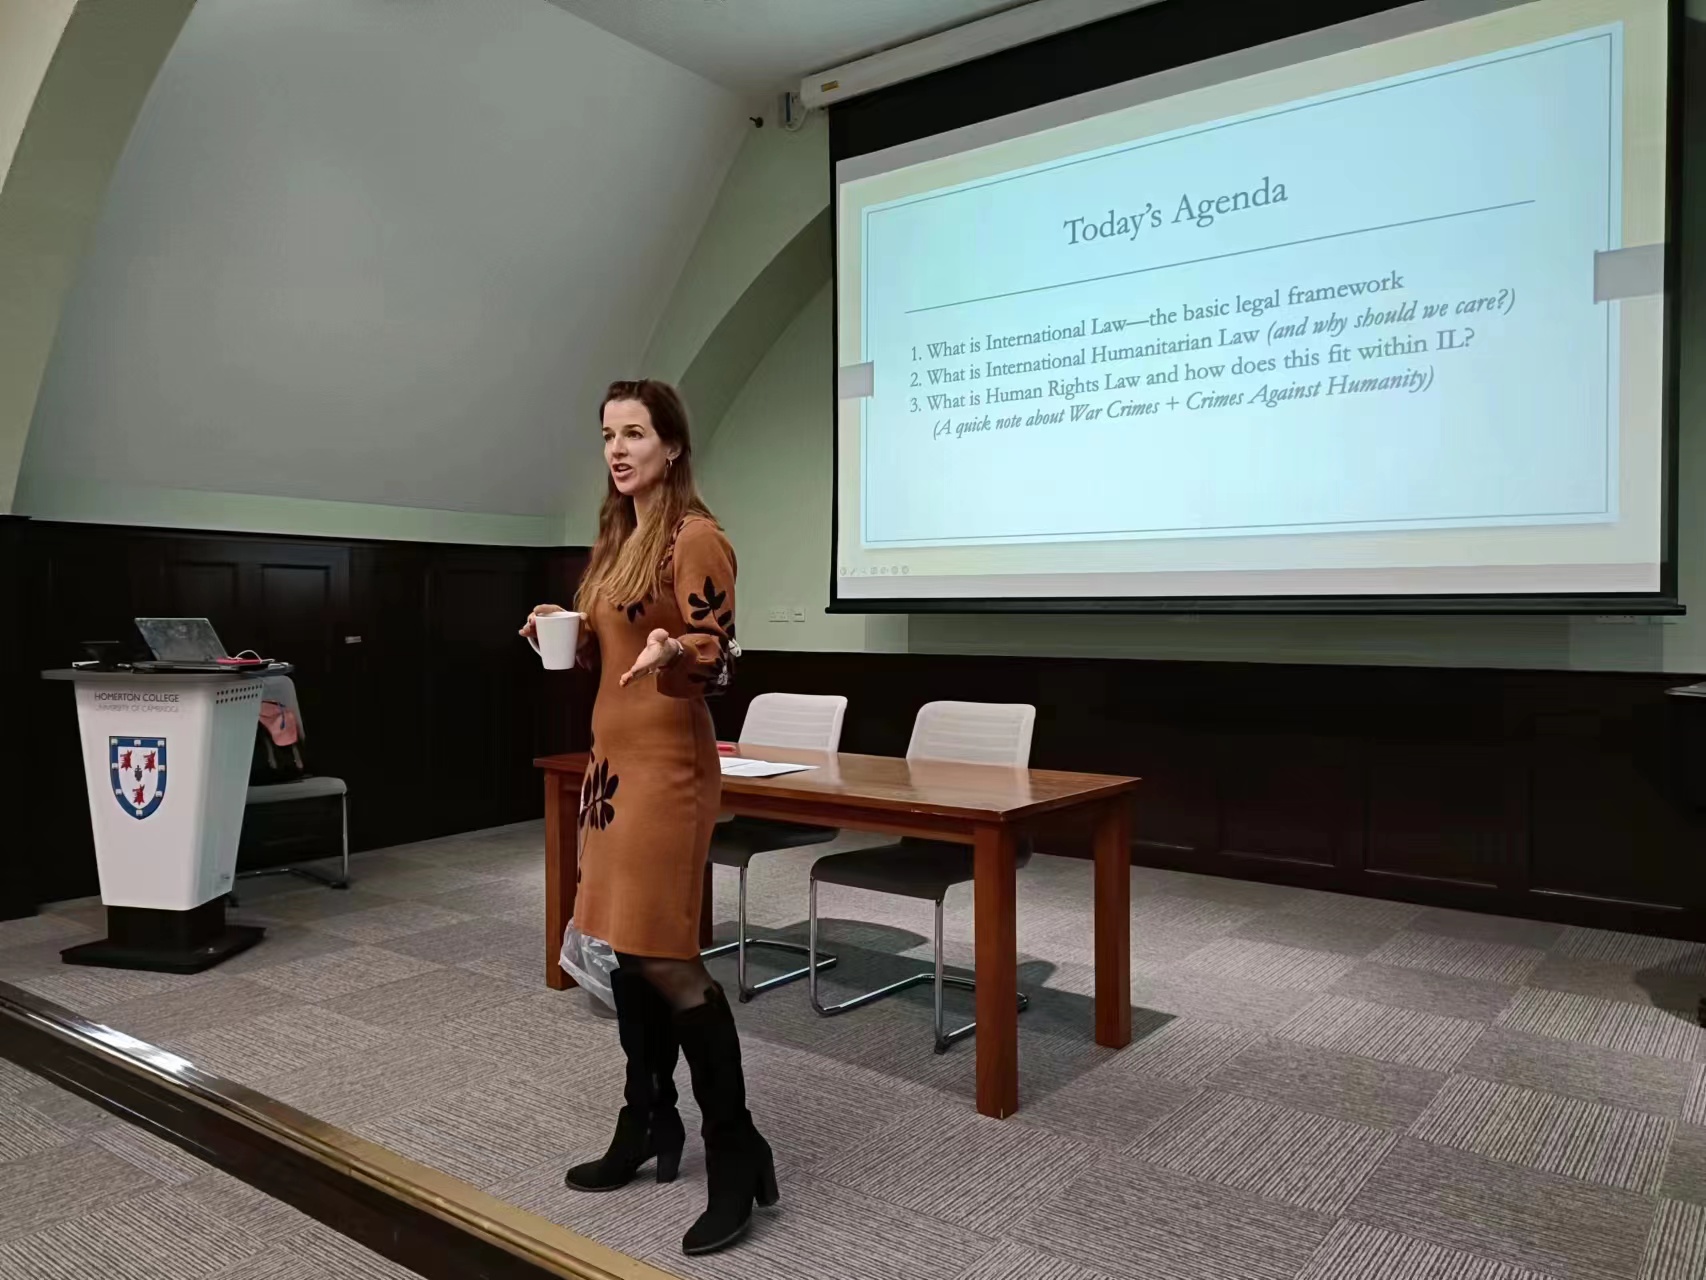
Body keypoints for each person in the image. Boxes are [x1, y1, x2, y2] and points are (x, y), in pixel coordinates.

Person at [520, 379, 774, 1257]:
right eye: (607, 436)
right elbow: (611, 643)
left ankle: (737, 1149)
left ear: (672, 445)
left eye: (634, 433)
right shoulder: (616, 539)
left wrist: (677, 653)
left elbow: (718, 654)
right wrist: (562, 627)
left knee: (665, 956)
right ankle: (648, 1120)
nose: (618, 450)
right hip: (610, 768)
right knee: (624, 948)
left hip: (669, 768)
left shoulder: (695, 537)